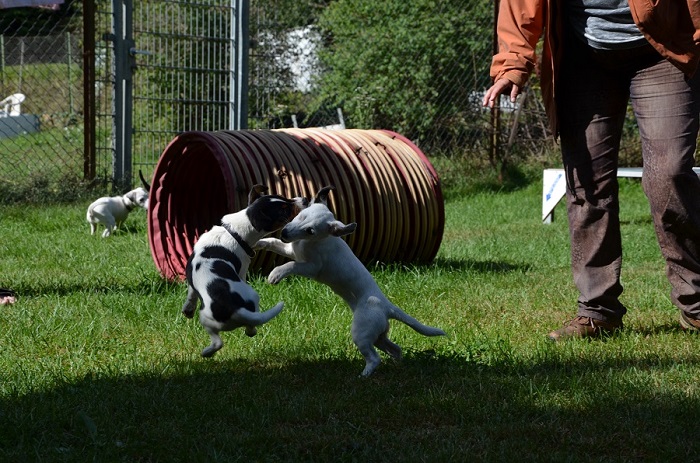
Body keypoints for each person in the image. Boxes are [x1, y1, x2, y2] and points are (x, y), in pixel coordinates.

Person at [483, 0, 700, 341]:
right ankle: (598, 310)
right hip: (582, 55)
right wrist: (512, 63)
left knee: (670, 174)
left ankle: (695, 303)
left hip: (664, 48)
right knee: (587, 184)